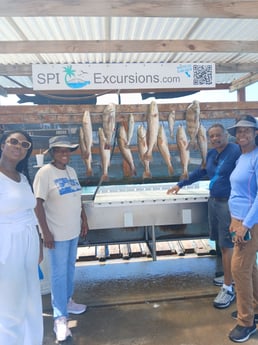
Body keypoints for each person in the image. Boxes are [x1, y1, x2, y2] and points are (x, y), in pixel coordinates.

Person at [167, 123, 241, 309]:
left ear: (226, 135)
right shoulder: (211, 154)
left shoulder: (235, 151)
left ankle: (229, 287)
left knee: (227, 245)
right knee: (218, 241)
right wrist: (181, 184)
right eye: (212, 136)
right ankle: (227, 275)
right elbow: (201, 172)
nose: (215, 139)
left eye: (218, 135)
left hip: (228, 203)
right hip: (214, 201)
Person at [33, 135, 89, 342]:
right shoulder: (44, 173)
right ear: (52, 152)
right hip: (56, 234)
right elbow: (37, 204)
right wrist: (45, 232)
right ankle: (60, 319)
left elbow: (77, 197)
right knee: (57, 275)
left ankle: (67, 301)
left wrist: (84, 219)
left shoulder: (71, 171)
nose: (65, 154)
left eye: (68, 150)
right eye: (60, 150)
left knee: (70, 268)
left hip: (73, 231)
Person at [0, 130, 43, 345]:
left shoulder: (23, 177)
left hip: (29, 242)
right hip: (7, 244)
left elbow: (30, 213)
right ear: (2, 145)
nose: (18, 146)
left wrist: (40, 243)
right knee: (10, 305)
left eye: (25, 144)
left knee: (31, 300)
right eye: (14, 141)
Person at [227, 115, 258, 343]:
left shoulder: (257, 157)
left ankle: (246, 321)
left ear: (255, 133)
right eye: (239, 131)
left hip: (251, 222)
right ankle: (254, 308)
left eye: (247, 131)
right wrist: (233, 220)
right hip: (239, 220)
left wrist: (245, 224)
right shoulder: (242, 157)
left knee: (238, 269)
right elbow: (238, 193)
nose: (242, 135)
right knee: (250, 268)